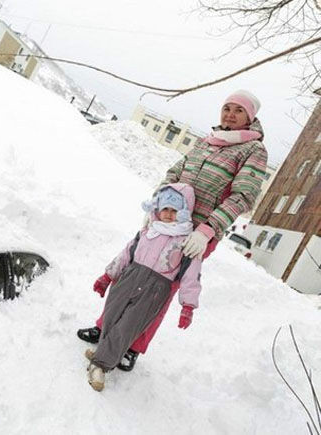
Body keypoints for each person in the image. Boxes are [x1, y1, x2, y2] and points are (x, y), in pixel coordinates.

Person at [77, 90, 268, 370]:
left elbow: (243, 196)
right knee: (130, 273)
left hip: (196, 233)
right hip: (165, 219)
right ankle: (105, 327)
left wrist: (206, 230)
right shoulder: (208, 141)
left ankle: (133, 345)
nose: (230, 114)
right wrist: (156, 207)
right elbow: (173, 174)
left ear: (250, 117)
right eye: (226, 107)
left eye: (238, 110)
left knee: (158, 290)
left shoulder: (253, 150)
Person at [85, 183, 202, 391]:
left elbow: (192, 275)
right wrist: (107, 276)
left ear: (183, 212)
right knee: (112, 317)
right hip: (129, 278)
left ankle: (100, 366)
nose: (168, 214)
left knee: (127, 326)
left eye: (174, 211)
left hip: (155, 289)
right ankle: (105, 351)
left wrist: (188, 306)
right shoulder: (148, 231)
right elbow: (126, 254)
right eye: (165, 208)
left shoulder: (187, 241)